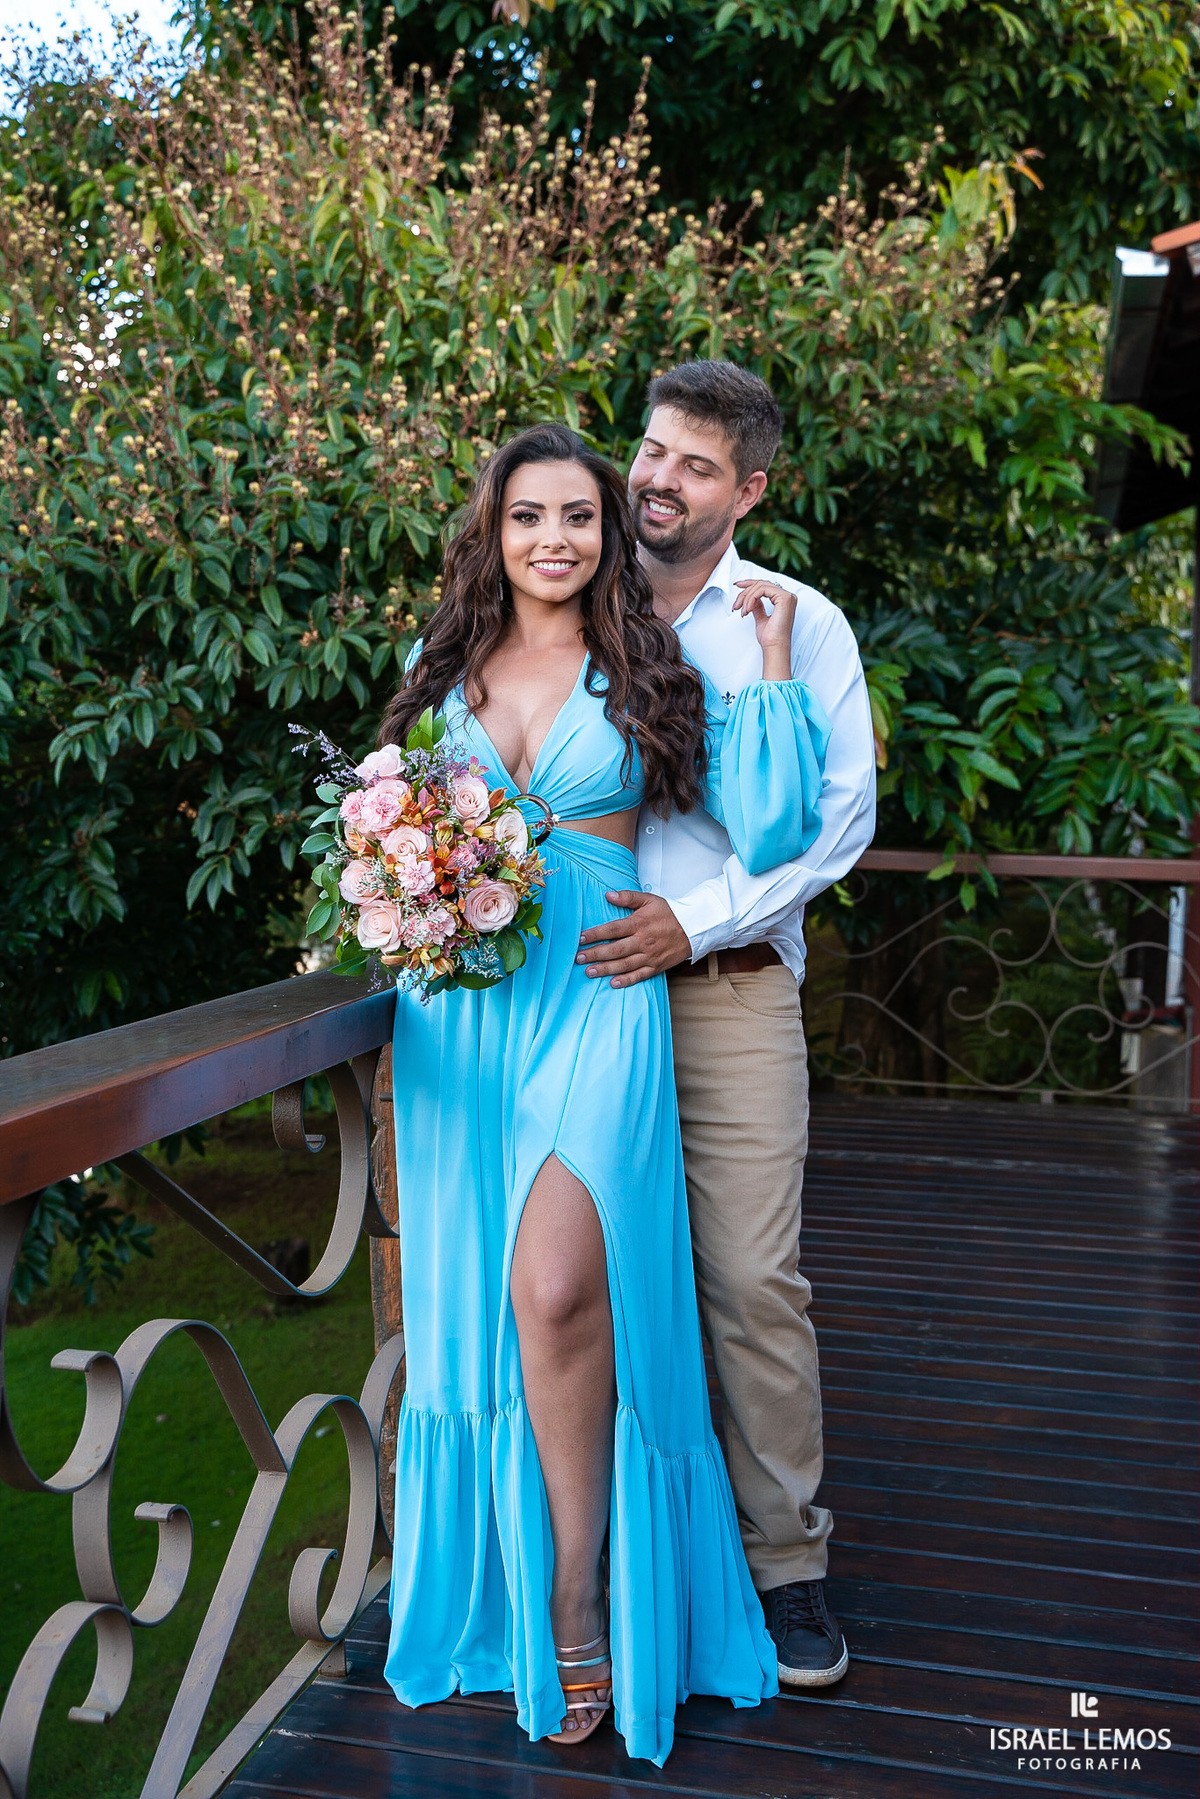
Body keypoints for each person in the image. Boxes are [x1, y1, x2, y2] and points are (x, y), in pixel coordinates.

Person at [379, 423, 831, 1765]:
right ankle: (508, 1590)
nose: (555, 541)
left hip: (593, 985)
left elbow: (776, 827)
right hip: (459, 1011)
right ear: (494, 528)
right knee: (482, 1303)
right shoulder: (440, 663)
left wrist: (765, 668)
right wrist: (399, 877)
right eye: (530, 518)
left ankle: (580, 1595)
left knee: (563, 1291)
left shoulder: (651, 659)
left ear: (609, 532)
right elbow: (384, 807)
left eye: (580, 517)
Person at [577, 361, 877, 1688]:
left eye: (696, 464)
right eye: (652, 452)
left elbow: (837, 826)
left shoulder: (798, 622)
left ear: (750, 488)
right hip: (575, 996)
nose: (657, 479)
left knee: (754, 1286)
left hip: (731, 995)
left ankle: (787, 1567)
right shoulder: (563, 598)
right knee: (583, 1279)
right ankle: (602, 1558)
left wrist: (687, 927)